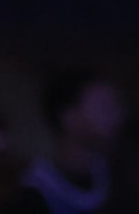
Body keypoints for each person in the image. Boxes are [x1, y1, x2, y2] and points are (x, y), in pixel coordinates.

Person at [26, 71, 125, 214]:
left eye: (116, 106)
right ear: (69, 117)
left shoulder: (116, 176)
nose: (117, 116)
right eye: (104, 107)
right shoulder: (35, 188)